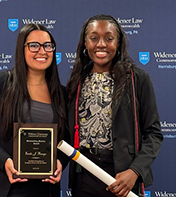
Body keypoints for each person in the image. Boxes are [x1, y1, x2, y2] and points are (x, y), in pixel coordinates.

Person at [66, 14, 163, 197]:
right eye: (94, 38)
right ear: (85, 43)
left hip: (122, 175)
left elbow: (154, 134)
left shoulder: (137, 79)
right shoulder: (77, 81)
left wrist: (134, 171)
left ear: (118, 43)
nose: (101, 44)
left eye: (109, 38)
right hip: (84, 174)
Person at [0, 24, 68, 197]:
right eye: (34, 45)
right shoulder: (0, 82)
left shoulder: (62, 94)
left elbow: (65, 140)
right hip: (2, 185)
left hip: (44, 189)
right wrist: (5, 161)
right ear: (22, 49)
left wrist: (60, 162)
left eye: (48, 45)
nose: (42, 51)